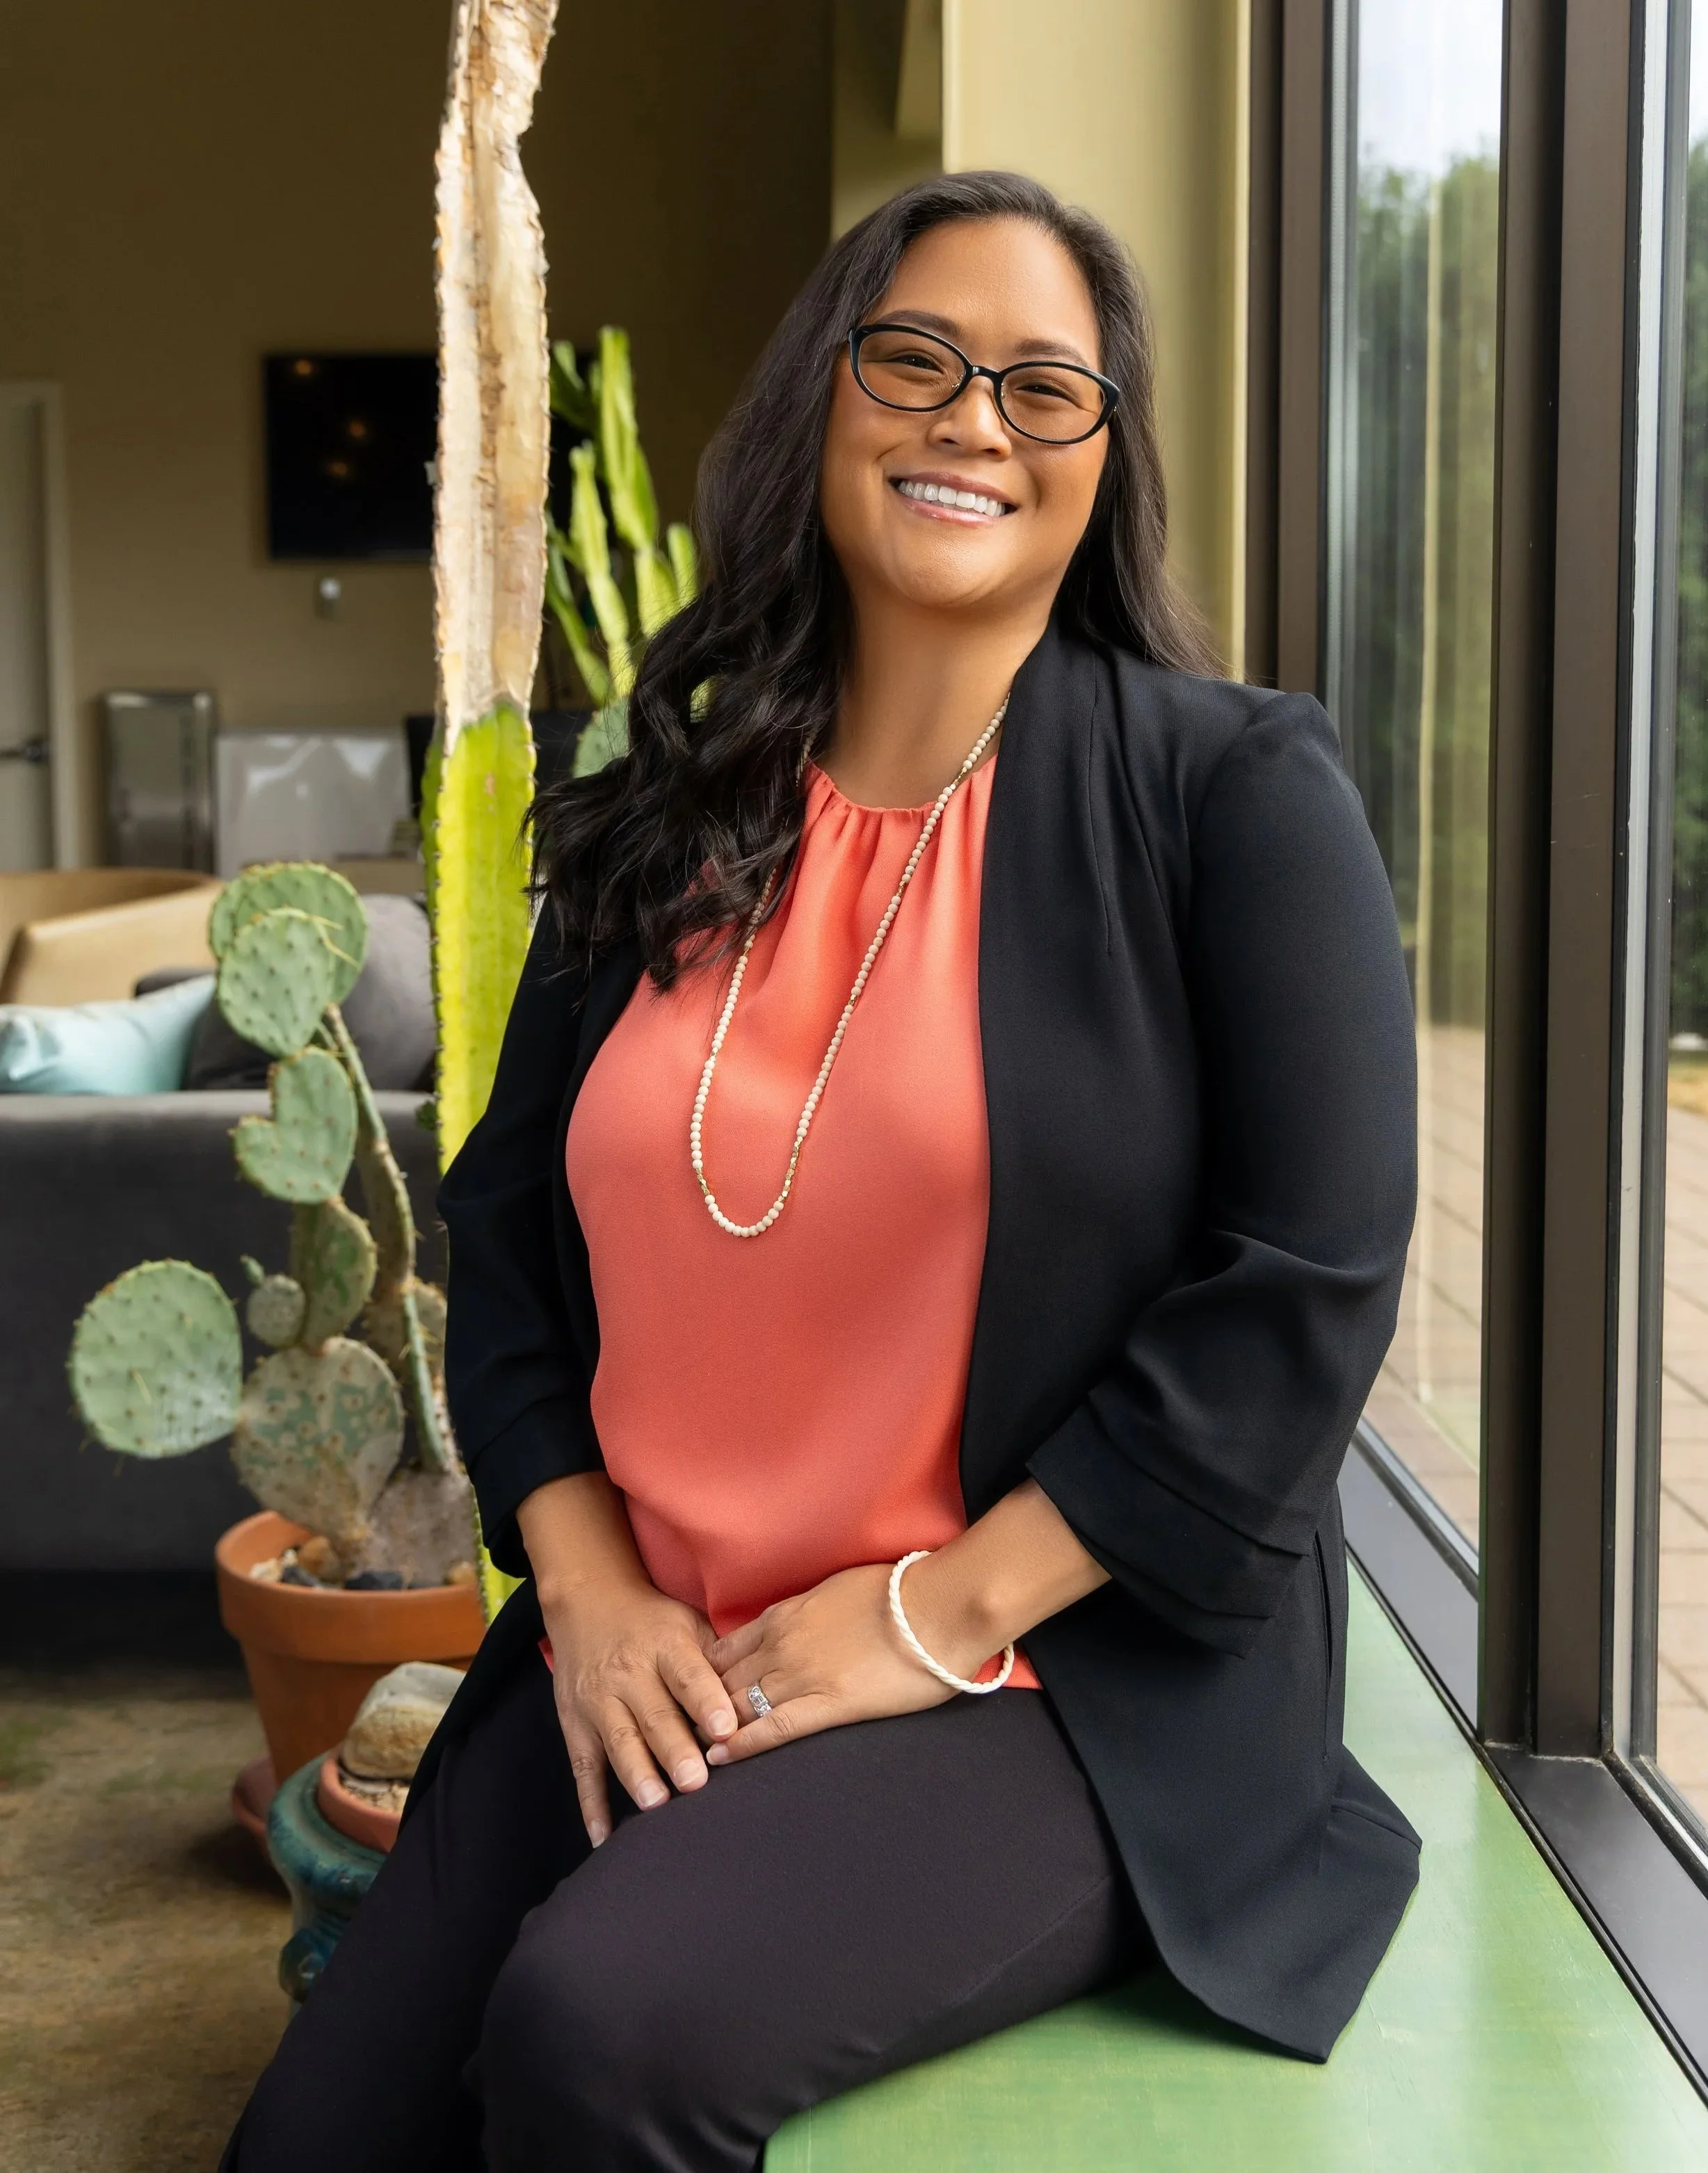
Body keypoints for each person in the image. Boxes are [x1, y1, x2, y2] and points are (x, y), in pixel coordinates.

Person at [223, 170, 1419, 2173]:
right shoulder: (662, 811)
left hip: (1047, 1667)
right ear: (824, 401)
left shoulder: (1230, 793)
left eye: (1047, 387)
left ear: (1101, 462)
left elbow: (1307, 1281)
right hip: (662, 1635)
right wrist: (585, 1589)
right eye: (920, 360)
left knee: (597, 2037)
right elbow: (508, 1233)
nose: (974, 420)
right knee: (316, 2142)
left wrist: (940, 1609)